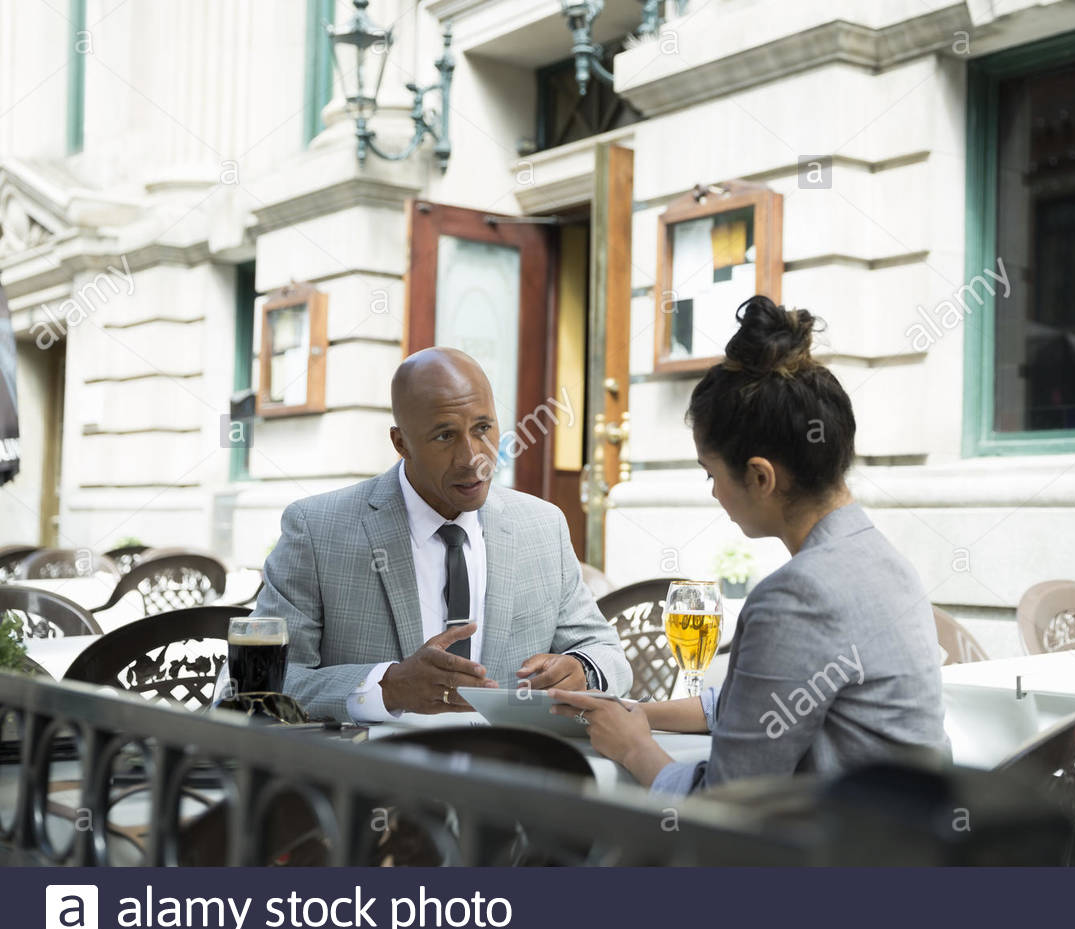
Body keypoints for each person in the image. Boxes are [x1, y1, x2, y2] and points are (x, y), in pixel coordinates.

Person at [551, 296, 948, 793]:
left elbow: (723, 808)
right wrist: (636, 715)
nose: (714, 492)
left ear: (760, 476)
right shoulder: (881, 562)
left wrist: (634, 747)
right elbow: (763, 707)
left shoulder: (800, 596)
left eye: (711, 473)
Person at [255, 348, 632, 722]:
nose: (472, 458)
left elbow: (607, 654)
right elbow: (257, 687)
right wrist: (385, 687)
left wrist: (582, 668)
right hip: (377, 775)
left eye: (483, 429)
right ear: (401, 443)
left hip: (513, 770)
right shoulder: (317, 530)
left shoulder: (543, 526)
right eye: (444, 436)